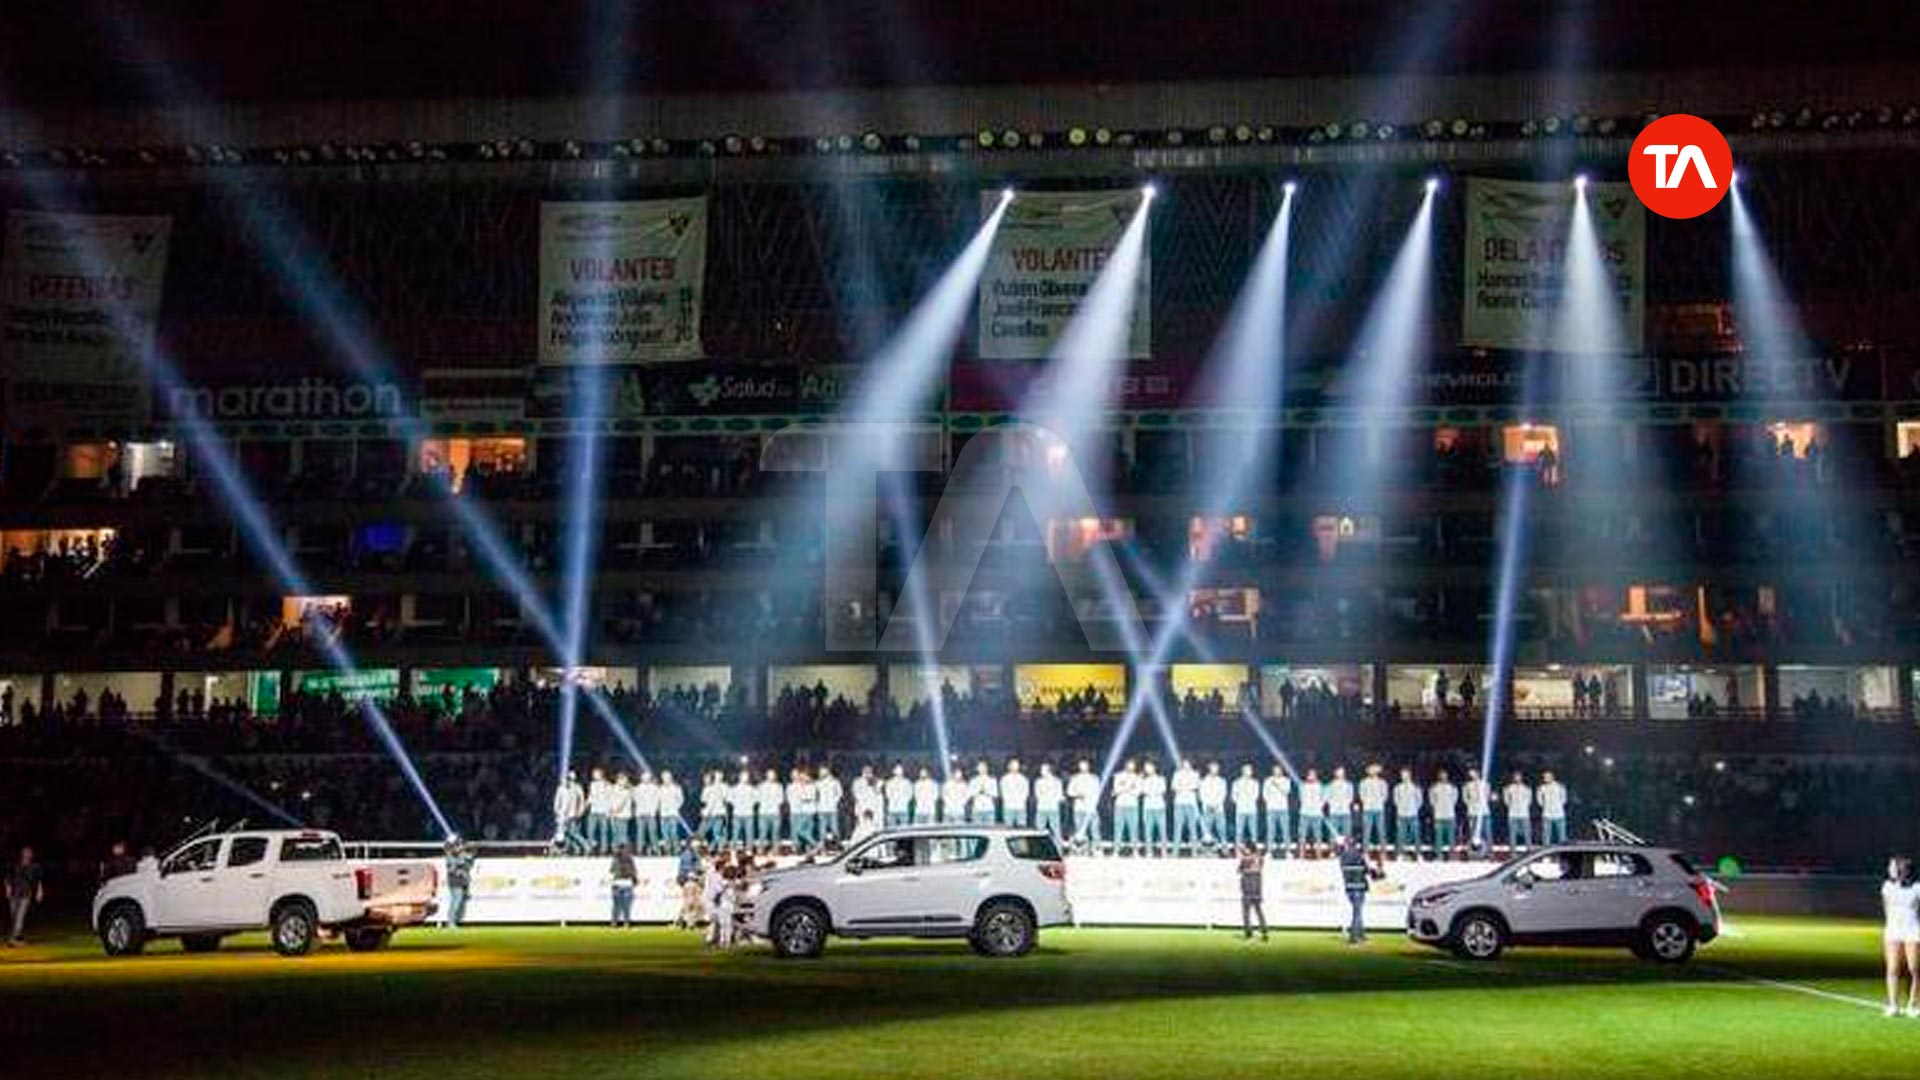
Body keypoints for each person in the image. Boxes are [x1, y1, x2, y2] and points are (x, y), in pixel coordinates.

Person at [1882, 856, 1920, 1017]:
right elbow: (1886, 908)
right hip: (1893, 931)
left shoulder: (1917, 887)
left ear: (1902, 869)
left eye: (1892, 866)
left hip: (1913, 930)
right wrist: (1892, 925)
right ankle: (1893, 1005)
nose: (1890, 869)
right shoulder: (1887, 887)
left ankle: (1913, 1005)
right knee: (1892, 968)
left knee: (1914, 968)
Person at [1336, 835, 1384, 945]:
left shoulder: (1343, 857)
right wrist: (1377, 868)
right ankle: (1353, 939)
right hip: (1359, 887)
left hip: (1349, 888)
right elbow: (1369, 872)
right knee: (1357, 913)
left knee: (1358, 913)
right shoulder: (1359, 856)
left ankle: (1361, 936)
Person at [6, 847, 43, 946]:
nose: (27, 855)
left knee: (20, 916)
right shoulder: (15, 865)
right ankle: (19, 937)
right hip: (14, 894)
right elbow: (8, 877)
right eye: (26, 852)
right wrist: (8, 888)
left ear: (32, 855)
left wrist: (39, 892)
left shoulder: (35, 866)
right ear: (22, 854)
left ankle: (13, 939)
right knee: (14, 916)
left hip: (26, 894)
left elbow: (39, 880)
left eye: (29, 853)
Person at [1171, 759, 1203, 856]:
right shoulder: (1177, 774)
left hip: (1191, 803)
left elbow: (1196, 786)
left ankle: (1194, 851)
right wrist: (1186, 786)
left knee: (1192, 827)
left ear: (1190, 764)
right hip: (1179, 803)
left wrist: (1183, 786)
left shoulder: (1195, 774)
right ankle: (1175, 851)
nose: (1186, 766)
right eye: (1184, 764)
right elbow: (1174, 786)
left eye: (1187, 764)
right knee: (1178, 827)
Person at [1237, 844, 1268, 942]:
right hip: (1257, 889)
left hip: (1248, 888)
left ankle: (1248, 933)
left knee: (1246, 912)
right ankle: (1264, 931)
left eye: (1246, 849)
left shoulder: (1246, 859)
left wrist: (1242, 855)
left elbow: (1239, 870)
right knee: (1259, 911)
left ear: (1250, 849)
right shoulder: (1259, 859)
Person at [1109, 759, 1140, 854]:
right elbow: (1115, 790)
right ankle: (1116, 851)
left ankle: (1135, 851)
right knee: (1118, 828)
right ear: (1125, 766)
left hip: (1132, 805)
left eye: (1132, 766)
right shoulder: (1118, 776)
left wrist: (1124, 789)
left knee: (1133, 828)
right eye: (1129, 765)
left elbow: (1137, 792)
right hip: (1120, 805)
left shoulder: (1137, 777)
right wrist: (1129, 787)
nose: (1131, 768)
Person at [1392, 767, 1424, 860]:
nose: (1403, 776)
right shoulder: (1398, 788)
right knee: (1401, 834)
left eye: (1405, 774)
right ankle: (1400, 854)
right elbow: (1396, 800)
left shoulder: (1415, 787)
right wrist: (1401, 808)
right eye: (1402, 775)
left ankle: (1418, 854)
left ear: (1409, 775)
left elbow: (1419, 800)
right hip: (1401, 813)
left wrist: (1414, 808)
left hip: (1413, 813)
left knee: (1416, 834)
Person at [553, 770, 587, 854]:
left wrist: (580, 811)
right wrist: (557, 810)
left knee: (573, 832)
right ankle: (572, 849)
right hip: (562, 814)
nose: (570, 780)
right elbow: (557, 800)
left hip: (573, 814)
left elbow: (581, 801)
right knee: (566, 833)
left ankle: (586, 846)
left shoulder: (577, 788)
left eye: (572, 779)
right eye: (569, 778)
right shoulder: (561, 788)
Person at [443, 838, 474, 930]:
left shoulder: (463, 855)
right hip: (455, 880)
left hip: (462, 881)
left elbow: (469, 864)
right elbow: (452, 869)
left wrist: (468, 859)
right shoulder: (451, 855)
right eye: (460, 845)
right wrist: (459, 868)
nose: (461, 847)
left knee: (458, 901)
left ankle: (453, 921)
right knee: (456, 901)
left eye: (462, 845)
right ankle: (450, 922)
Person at [1140, 760, 1170, 855]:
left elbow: (1162, 790)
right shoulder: (1143, 780)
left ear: (1154, 768)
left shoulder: (1161, 779)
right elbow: (1142, 791)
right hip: (1148, 807)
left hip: (1159, 807)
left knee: (1162, 830)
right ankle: (1149, 851)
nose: (1147, 769)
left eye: (1149, 767)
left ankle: (1164, 851)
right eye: (1146, 768)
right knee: (1148, 830)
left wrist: (1151, 792)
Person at [1358, 764, 1389, 853]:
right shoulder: (1363, 782)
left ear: (1378, 771)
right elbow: (1361, 794)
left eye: (1375, 770)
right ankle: (1365, 852)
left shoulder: (1382, 782)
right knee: (1366, 831)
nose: (1373, 771)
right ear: (1368, 772)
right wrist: (1366, 802)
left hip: (1379, 809)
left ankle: (1383, 852)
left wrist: (1379, 802)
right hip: (1367, 809)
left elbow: (1385, 795)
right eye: (1371, 770)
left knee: (1381, 831)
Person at [1262, 764, 1293, 854]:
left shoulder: (1286, 780)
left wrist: (1277, 785)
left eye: (1278, 770)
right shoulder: (1267, 781)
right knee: (1271, 830)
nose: (1277, 772)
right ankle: (1269, 851)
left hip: (1283, 809)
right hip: (1271, 809)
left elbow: (1286, 792)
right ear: (1272, 771)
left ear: (1281, 771)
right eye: (1275, 770)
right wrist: (1269, 802)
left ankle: (1288, 851)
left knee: (1285, 830)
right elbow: (1265, 794)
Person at [1199, 762, 1229, 851]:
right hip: (1207, 808)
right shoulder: (1204, 781)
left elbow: (1223, 793)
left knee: (1221, 828)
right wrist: (1209, 804)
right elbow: (1202, 794)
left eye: (1216, 768)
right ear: (1209, 769)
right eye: (1213, 768)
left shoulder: (1222, 781)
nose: (1214, 770)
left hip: (1219, 808)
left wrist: (1216, 803)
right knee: (1207, 829)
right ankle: (1207, 848)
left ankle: (1224, 847)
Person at [1429, 770, 1459, 856]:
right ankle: (1439, 856)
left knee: (1451, 837)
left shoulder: (1452, 787)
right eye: (1441, 775)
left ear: (1447, 776)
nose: (1443, 777)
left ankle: (1452, 856)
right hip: (1439, 815)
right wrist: (1437, 807)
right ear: (1439, 776)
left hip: (1450, 815)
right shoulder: (1434, 787)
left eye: (1445, 775)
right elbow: (1432, 800)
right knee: (1438, 837)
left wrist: (1449, 806)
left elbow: (1455, 799)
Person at [1297, 768, 1325, 857]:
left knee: (1318, 834)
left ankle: (1319, 854)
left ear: (1316, 776)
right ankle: (1301, 854)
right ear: (1307, 776)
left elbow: (1323, 798)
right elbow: (1301, 798)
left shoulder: (1320, 786)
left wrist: (1319, 806)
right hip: (1305, 813)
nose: (1311, 776)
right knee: (1302, 834)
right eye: (1310, 775)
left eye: (1313, 775)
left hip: (1317, 814)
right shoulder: (1303, 786)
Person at [787, 767, 817, 851]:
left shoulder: (811, 785)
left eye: (804, 776)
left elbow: (808, 797)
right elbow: (790, 798)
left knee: (802, 830)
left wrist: (804, 797)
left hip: (808, 811)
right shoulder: (791, 786)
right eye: (801, 776)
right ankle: (800, 847)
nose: (801, 778)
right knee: (798, 830)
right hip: (798, 810)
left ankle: (813, 845)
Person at [1231, 764, 1261, 847]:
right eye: (1247, 770)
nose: (1249, 772)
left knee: (1253, 831)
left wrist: (1248, 799)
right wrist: (1239, 802)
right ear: (1243, 771)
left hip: (1252, 809)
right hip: (1240, 809)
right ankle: (1238, 849)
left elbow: (1256, 795)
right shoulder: (1236, 783)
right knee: (1239, 831)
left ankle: (1253, 849)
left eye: (1250, 770)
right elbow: (1233, 796)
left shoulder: (1255, 783)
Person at [1033, 762, 1065, 841]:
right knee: (1039, 830)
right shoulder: (1038, 782)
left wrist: (1052, 798)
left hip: (1053, 808)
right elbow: (1037, 794)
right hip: (1041, 808)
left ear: (1049, 770)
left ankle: (1058, 848)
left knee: (1056, 829)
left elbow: (1059, 795)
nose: (1041, 771)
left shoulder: (1057, 782)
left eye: (1043, 770)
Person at [1503, 772, 1534, 850]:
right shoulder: (1509, 788)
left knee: (1527, 833)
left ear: (1521, 778)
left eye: (1518, 777)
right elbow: (1506, 801)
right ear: (1513, 778)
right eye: (1515, 777)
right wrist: (1512, 806)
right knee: (1512, 834)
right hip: (1512, 813)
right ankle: (1513, 852)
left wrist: (1523, 806)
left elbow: (1529, 800)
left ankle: (1529, 850)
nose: (1517, 778)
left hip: (1524, 813)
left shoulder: (1526, 788)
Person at [609, 843, 638, 929]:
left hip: (620, 884)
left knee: (619, 906)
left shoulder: (616, 859)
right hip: (623, 884)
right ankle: (624, 923)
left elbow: (611, 871)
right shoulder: (628, 860)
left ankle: (616, 923)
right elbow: (633, 872)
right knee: (623, 906)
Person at [1462, 768, 1491, 853]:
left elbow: (1487, 796)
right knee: (1472, 833)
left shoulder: (1485, 784)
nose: (1471, 775)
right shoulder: (1467, 785)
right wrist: (1470, 803)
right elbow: (1465, 798)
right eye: (1470, 774)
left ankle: (1488, 852)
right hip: (1472, 811)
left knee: (1486, 832)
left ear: (1477, 773)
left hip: (1484, 811)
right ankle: (1474, 852)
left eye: (1473, 773)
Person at [585, 766, 613, 854]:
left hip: (603, 811)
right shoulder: (592, 784)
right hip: (594, 810)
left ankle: (603, 849)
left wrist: (609, 810)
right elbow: (591, 797)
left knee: (603, 831)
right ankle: (590, 847)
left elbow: (610, 798)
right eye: (594, 774)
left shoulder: (607, 785)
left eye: (596, 774)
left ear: (601, 775)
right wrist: (585, 806)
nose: (594, 775)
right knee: (590, 830)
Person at [1325, 766, 1355, 847]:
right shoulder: (1330, 785)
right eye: (1339, 772)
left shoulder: (1349, 785)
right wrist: (1333, 804)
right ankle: (1333, 849)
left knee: (1347, 831)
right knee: (1334, 832)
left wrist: (1345, 803)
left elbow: (1351, 797)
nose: (1340, 774)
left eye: (1342, 772)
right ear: (1335, 774)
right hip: (1334, 811)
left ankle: (1347, 848)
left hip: (1345, 811)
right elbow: (1327, 797)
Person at [632, 768, 660, 855]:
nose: (646, 779)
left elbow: (657, 800)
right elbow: (635, 800)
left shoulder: (655, 788)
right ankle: (639, 850)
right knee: (640, 832)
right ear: (641, 778)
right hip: (640, 813)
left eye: (647, 777)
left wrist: (653, 810)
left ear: (650, 778)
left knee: (653, 832)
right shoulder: (637, 788)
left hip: (651, 813)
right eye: (644, 777)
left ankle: (655, 849)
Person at [607, 771, 636, 855]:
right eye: (621, 779)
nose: (623, 781)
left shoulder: (628, 791)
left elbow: (623, 802)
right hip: (613, 813)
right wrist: (612, 810)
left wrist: (617, 810)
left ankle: (624, 850)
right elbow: (610, 799)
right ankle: (615, 849)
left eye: (624, 780)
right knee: (615, 832)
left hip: (623, 814)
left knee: (623, 832)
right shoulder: (613, 788)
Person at [1537, 771, 1569, 845]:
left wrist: (1558, 806)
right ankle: (1545, 851)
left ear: (1552, 777)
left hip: (1559, 814)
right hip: (1547, 814)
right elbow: (1539, 800)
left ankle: (1563, 852)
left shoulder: (1560, 786)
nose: (1545, 779)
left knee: (1561, 835)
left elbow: (1564, 799)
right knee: (1546, 835)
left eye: (1547, 777)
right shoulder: (1542, 788)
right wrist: (1545, 806)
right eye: (1544, 777)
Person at [697, 770, 729, 846]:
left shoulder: (724, 787)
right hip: (709, 814)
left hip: (719, 813)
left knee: (716, 833)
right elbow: (703, 800)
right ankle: (705, 848)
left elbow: (726, 798)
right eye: (716, 776)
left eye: (720, 776)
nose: (718, 777)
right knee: (701, 832)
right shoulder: (708, 788)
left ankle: (718, 849)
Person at [755, 768, 785, 846]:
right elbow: (757, 799)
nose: (771, 777)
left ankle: (775, 849)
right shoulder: (761, 786)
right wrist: (765, 803)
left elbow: (781, 799)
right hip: (763, 813)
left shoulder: (779, 786)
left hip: (775, 813)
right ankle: (760, 850)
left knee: (776, 832)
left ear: (775, 776)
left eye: (772, 775)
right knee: (762, 832)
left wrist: (774, 803)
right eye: (769, 775)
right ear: (766, 776)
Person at [727, 767, 756, 847]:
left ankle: (749, 849)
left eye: (746, 777)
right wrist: (735, 804)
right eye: (743, 777)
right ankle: (734, 849)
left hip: (748, 813)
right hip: (737, 813)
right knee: (735, 832)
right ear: (740, 778)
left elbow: (757, 798)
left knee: (749, 832)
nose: (745, 779)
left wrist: (751, 804)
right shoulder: (734, 788)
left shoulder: (751, 788)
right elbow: (729, 798)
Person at [657, 770, 685, 852]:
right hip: (663, 813)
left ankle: (676, 848)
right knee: (664, 832)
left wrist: (676, 806)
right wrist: (659, 808)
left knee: (673, 832)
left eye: (667, 777)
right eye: (664, 777)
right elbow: (658, 800)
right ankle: (667, 848)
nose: (666, 779)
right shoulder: (660, 788)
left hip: (673, 812)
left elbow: (681, 799)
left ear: (670, 777)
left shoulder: (676, 787)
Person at [814, 765, 842, 845]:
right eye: (820, 772)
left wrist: (835, 801)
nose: (820, 773)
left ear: (827, 771)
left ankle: (837, 844)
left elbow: (839, 793)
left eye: (822, 771)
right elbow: (815, 794)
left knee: (834, 828)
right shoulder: (818, 783)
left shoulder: (835, 782)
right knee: (822, 828)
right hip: (822, 808)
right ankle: (822, 845)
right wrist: (817, 804)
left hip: (832, 808)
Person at [1000, 759, 1030, 827]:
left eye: (1016, 765)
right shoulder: (1004, 779)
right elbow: (1004, 793)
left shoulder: (1023, 779)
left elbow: (1025, 793)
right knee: (1007, 828)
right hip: (1008, 807)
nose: (1014, 767)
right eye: (1013, 765)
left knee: (1022, 828)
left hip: (1020, 807)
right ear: (1009, 767)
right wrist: (1010, 799)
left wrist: (1020, 800)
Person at [968, 760, 999, 824]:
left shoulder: (992, 781)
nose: (981, 769)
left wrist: (986, 792)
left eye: (983, 767)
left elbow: (995, 794)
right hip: (977, 809)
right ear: (977, 769)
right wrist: (978, 791)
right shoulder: (973, 781)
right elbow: (970, 794)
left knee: (990, 831)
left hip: (989, 809)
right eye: (980, 767)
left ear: (987, 768)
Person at [884, 764, 913, 828]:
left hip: (903, 809)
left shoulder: (907, 783)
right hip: (892, 809)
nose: (899, 773)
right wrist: (894, 800)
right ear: (894, 772)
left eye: (900, 772)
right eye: (897, 772)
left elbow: (910, 795)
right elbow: (888, 795)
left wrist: (904, 801)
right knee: (891, 830)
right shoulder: (889, 783)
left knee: (904, 830)